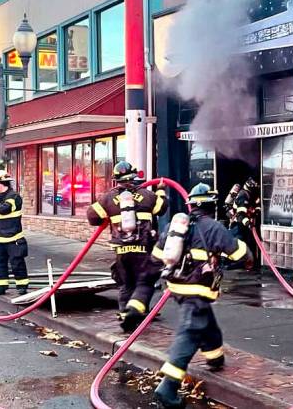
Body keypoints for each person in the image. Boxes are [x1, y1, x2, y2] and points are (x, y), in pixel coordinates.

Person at [151, 183, 248, 408]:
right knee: (190, 332)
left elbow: (157, 255)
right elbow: (240, 254)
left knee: (206, 324)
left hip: (177, 286)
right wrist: (240, 235)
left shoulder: (177, 226)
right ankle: (168, 387)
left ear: (192, 204)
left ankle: (215, 357)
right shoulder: (214, 227)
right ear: (211, 205)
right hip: (198, 288)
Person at [87, 161, 167, 332]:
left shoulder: (108, 198)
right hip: (143, 248)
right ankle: (137, 310)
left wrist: (108, 212)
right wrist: (160, 190)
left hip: (122, 250)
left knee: (126, 283)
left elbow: (92, 217)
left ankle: (125, 314)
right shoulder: (147, 195)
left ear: (116, 179)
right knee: (144, 282)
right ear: (134, 176)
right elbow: (162, 208)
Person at [0, 169, 29, 295]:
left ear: (0, 184)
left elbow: (4, 210)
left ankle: (22, 286)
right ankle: (1, 286)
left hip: (13, 238)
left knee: (17, 263)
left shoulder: (14, 197)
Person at [225, 178, 260, 269]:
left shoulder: (251, 195)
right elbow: (241, 215)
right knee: (236, 243)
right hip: (238, 224)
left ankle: (243, 263)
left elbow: (255, 207)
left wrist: (256, 212)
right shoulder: (243, 196)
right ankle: (228, 263)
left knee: (244, 243)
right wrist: (248, 223)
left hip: (243, 225)